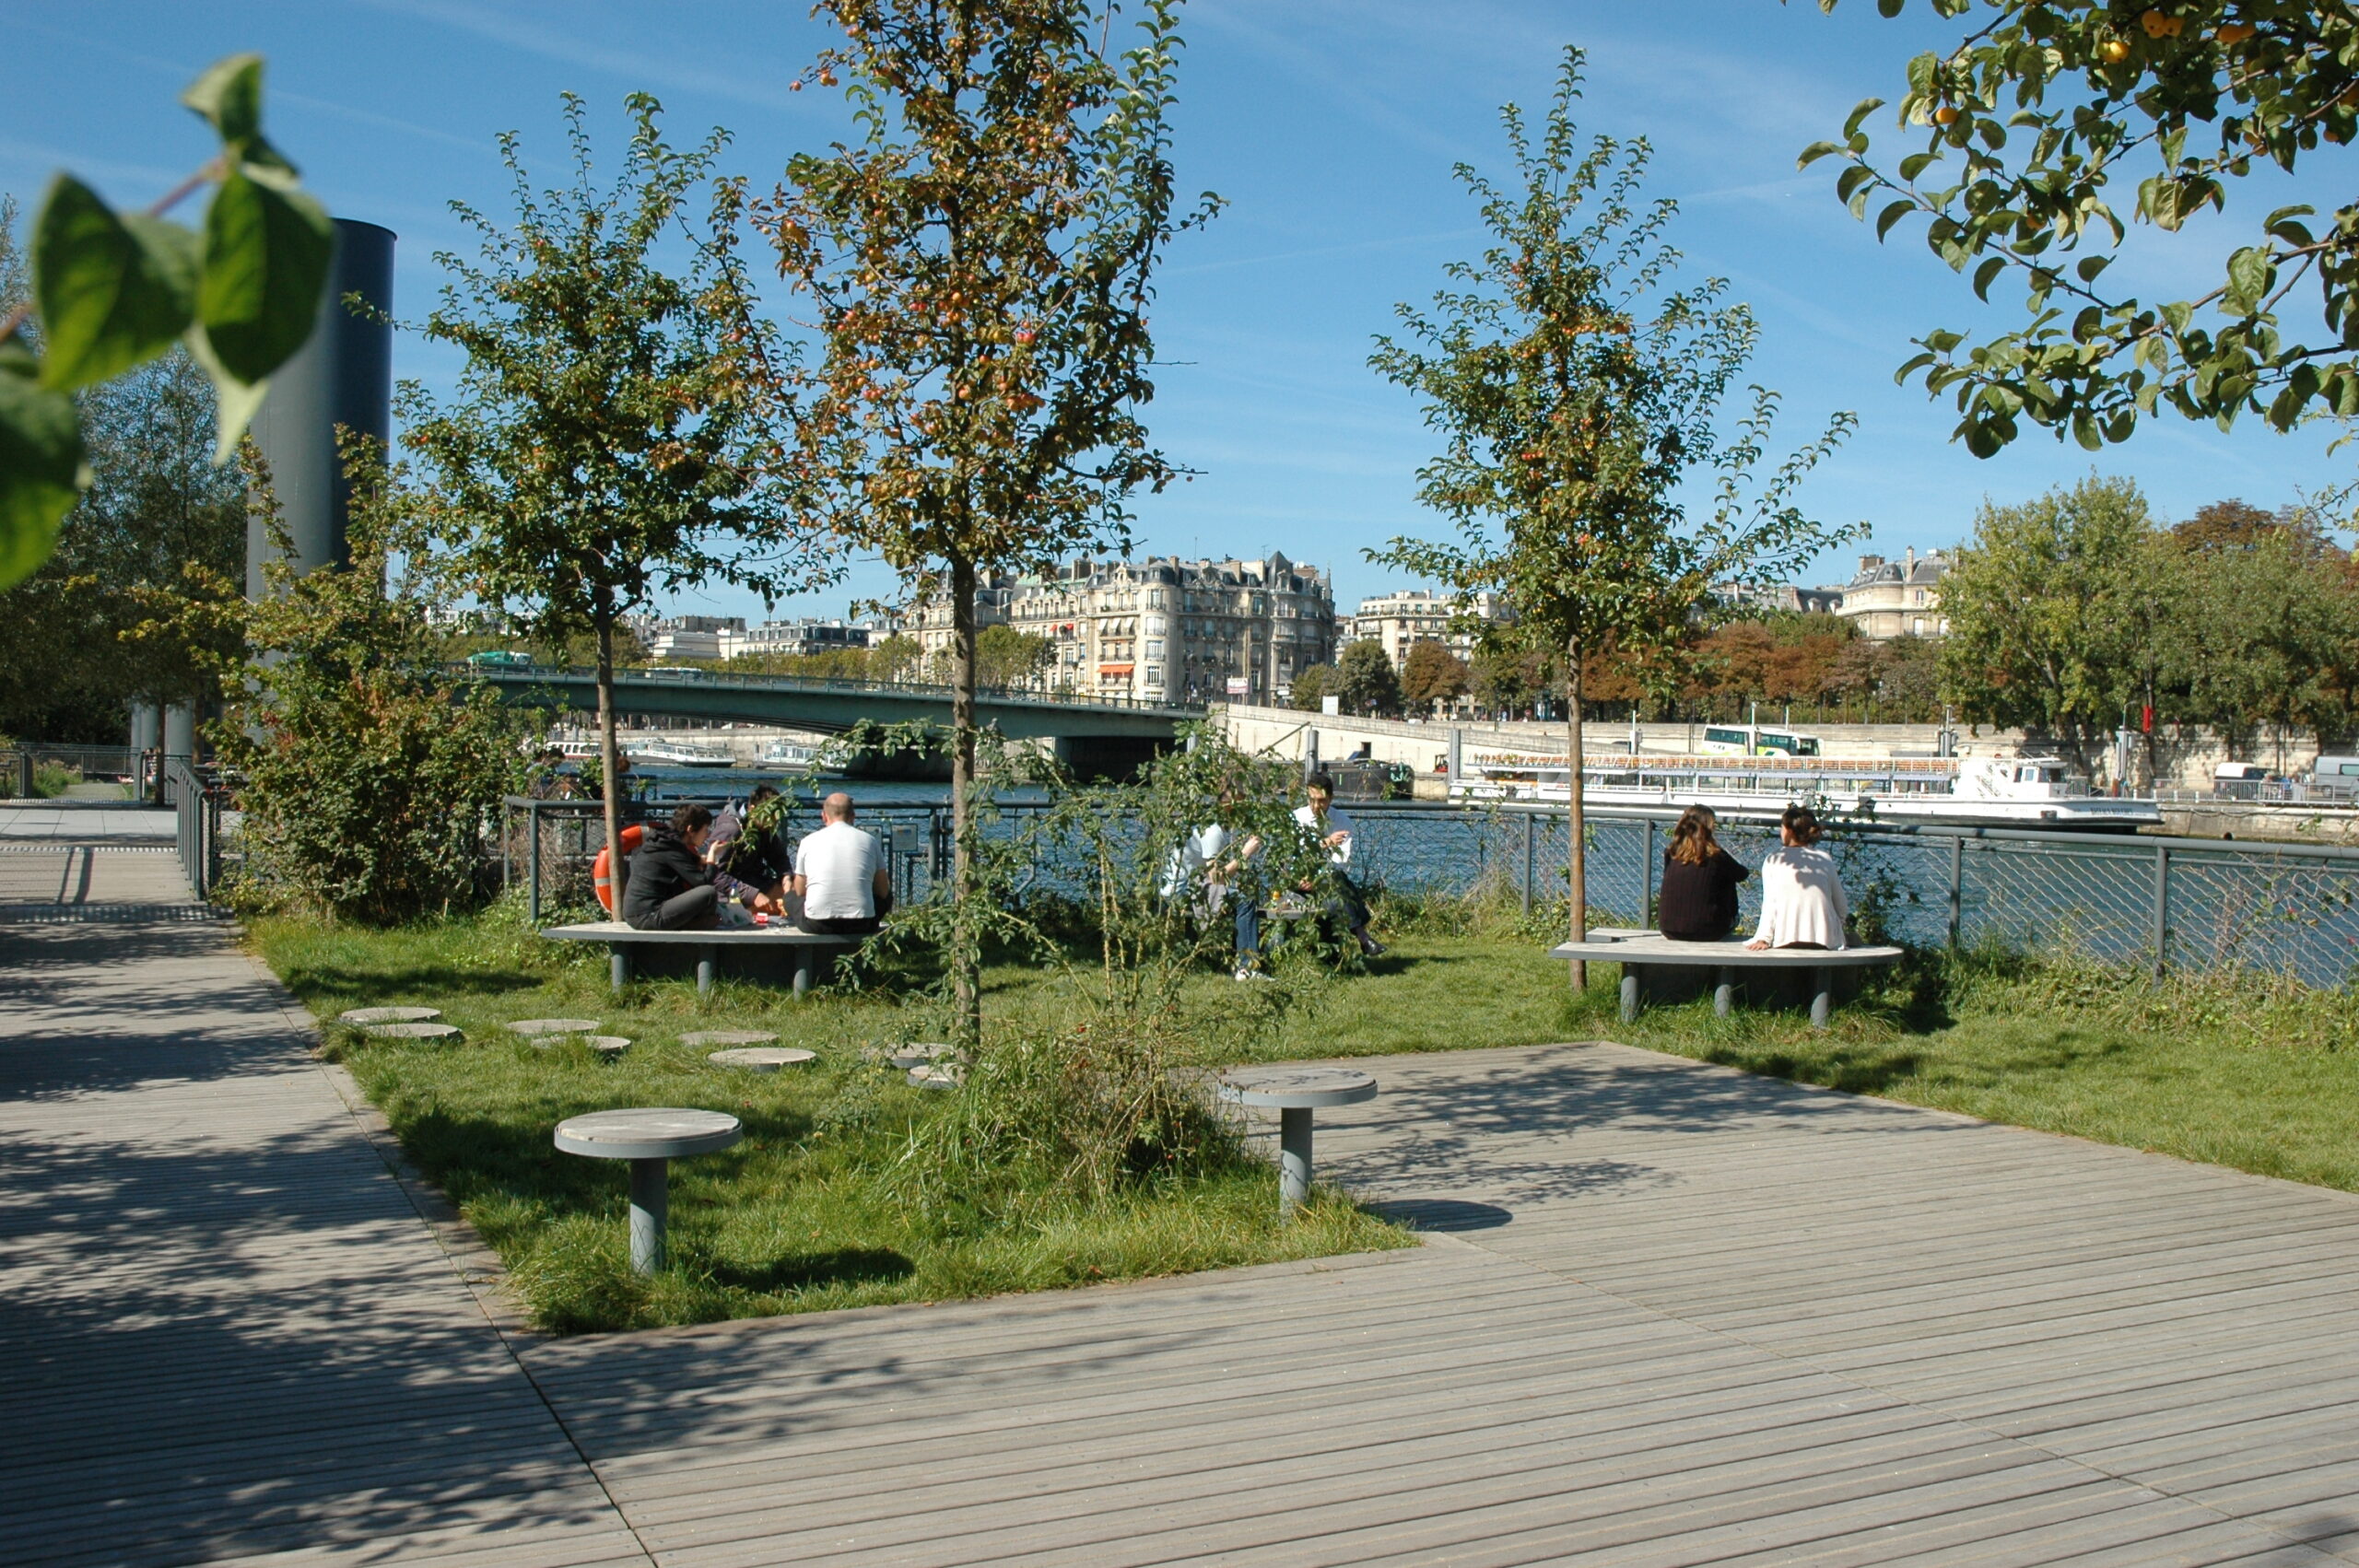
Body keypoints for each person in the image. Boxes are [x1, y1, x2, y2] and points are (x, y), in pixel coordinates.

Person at [1294, 771, 1383, 958]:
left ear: (1331, 798)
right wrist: (1325, 843)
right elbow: (1294, 857)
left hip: (1327, 879)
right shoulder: (1296, 818)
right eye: (1312, 800)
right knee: (1339, 889)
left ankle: (1335, 951)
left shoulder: (1342, 822)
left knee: (1334, 883)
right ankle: (1362, 937)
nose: (1316, 806)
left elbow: (1340, 862)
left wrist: (1316, 879)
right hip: (1298, 878)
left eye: (1322, 801)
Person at [1747, 805, 1848, 951]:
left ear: (1788, 831)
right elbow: (1841, 905)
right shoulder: (1824, 859)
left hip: (1787, 938)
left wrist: (1764, 938)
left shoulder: (1775, 859)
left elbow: (1770, 904)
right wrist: (1836, 929)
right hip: (1826, 940)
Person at [792, 790, 892, 936]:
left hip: (818, 924)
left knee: (791, 896)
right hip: (862, 923)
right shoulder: (870, 841)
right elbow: (883, 890)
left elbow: (800, 891)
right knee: (887, 896)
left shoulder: (808, 841)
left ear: (824, 816)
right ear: (853, 817)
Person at [1656, 805, 1749, 942]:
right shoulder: (1716, 856)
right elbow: (1742, 874)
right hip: (1709, 930)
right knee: (1727, 878)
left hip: (1669, 929)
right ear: (1709, 828)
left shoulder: (1671, 853)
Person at [622, 803, 722, 931]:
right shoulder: (670, 848)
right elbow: (703, 881)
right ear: (690, 830)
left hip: (639, 914)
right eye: (705, 830)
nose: (707, 835)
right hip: (648, 915)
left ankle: (699, 923)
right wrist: (712, 856)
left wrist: (701, 860)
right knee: (709, 892)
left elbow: (686, 862)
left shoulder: (666, 843)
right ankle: (698, 925)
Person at [709, 784, 793, 917]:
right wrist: (753, 895)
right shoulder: (730, 830)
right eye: (769, 817)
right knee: (785, 907)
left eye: (776, 819)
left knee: (797, 893)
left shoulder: (763, 826)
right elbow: (715, 875)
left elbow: (778, 857)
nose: (772, 823)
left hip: (755, 882)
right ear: (753, 809)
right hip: (730, 895)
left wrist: (786, 877)